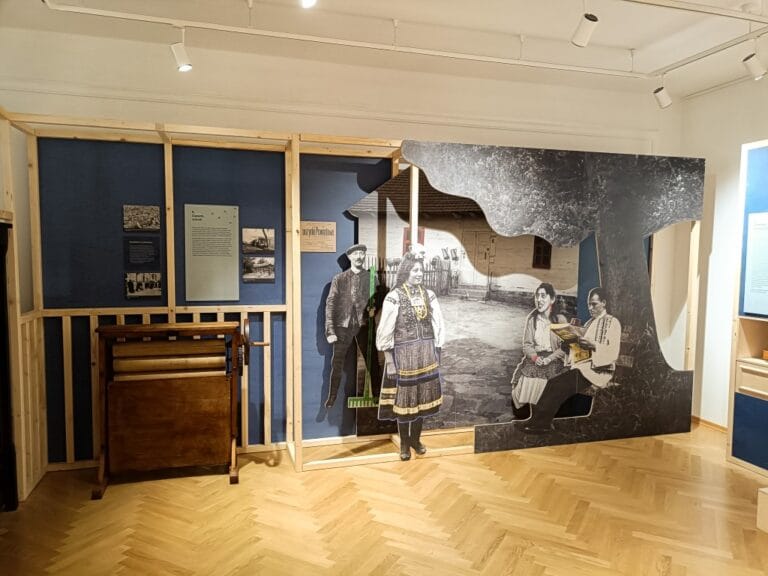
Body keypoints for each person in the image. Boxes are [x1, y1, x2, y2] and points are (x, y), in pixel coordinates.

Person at [376, 251, 445, 461]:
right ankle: (404, 444)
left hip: (426, 354)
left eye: (421, 270)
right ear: (406, 271)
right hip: (404, 356)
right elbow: (385, 331)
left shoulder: (428, 295)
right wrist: (390, 361)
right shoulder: (394, 297)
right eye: (415, 270)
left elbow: (438, 324)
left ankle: (416, 439)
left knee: (422, 399)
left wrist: (437, 350)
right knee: (405, 402)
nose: (419, 274)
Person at [524, 286, 622, 433]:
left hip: (598, 371)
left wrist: (593, 345)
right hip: (584, 368)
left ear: (604, 303)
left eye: (594, 304)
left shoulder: (612, 323)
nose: (590, 308)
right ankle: (535, 421)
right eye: (589, 304)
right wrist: (569, 344)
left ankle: (541, 424)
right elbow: (581, 350)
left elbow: (613, 353)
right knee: (552, 383)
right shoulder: (590, 322)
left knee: (557, 384)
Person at [324, 243, 377, 408]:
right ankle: (332, 397)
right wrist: (330, 330)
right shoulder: (339, 279)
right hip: (343, 327)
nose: (359, 257)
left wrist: (374, 308)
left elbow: (378, 298)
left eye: (362, 253)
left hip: (364, 326)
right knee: (337, 363)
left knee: (372, 361)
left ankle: (376, 396)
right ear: (349, 257)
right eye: (356, 254)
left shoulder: (371, 278)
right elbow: (330, 304)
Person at [510, 283, 568, 419]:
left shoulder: (560, 320)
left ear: (552, 299)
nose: (539, 300)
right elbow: (527, 345)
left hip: (554, 358)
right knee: (526, 379)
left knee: (548, 382)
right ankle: (529, 413)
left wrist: (549, 358)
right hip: (535, 358)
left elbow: (565, 347)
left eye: (543, 296)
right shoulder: (532, 319)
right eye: (537, 296)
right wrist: (535, 358)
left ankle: (543, 414)